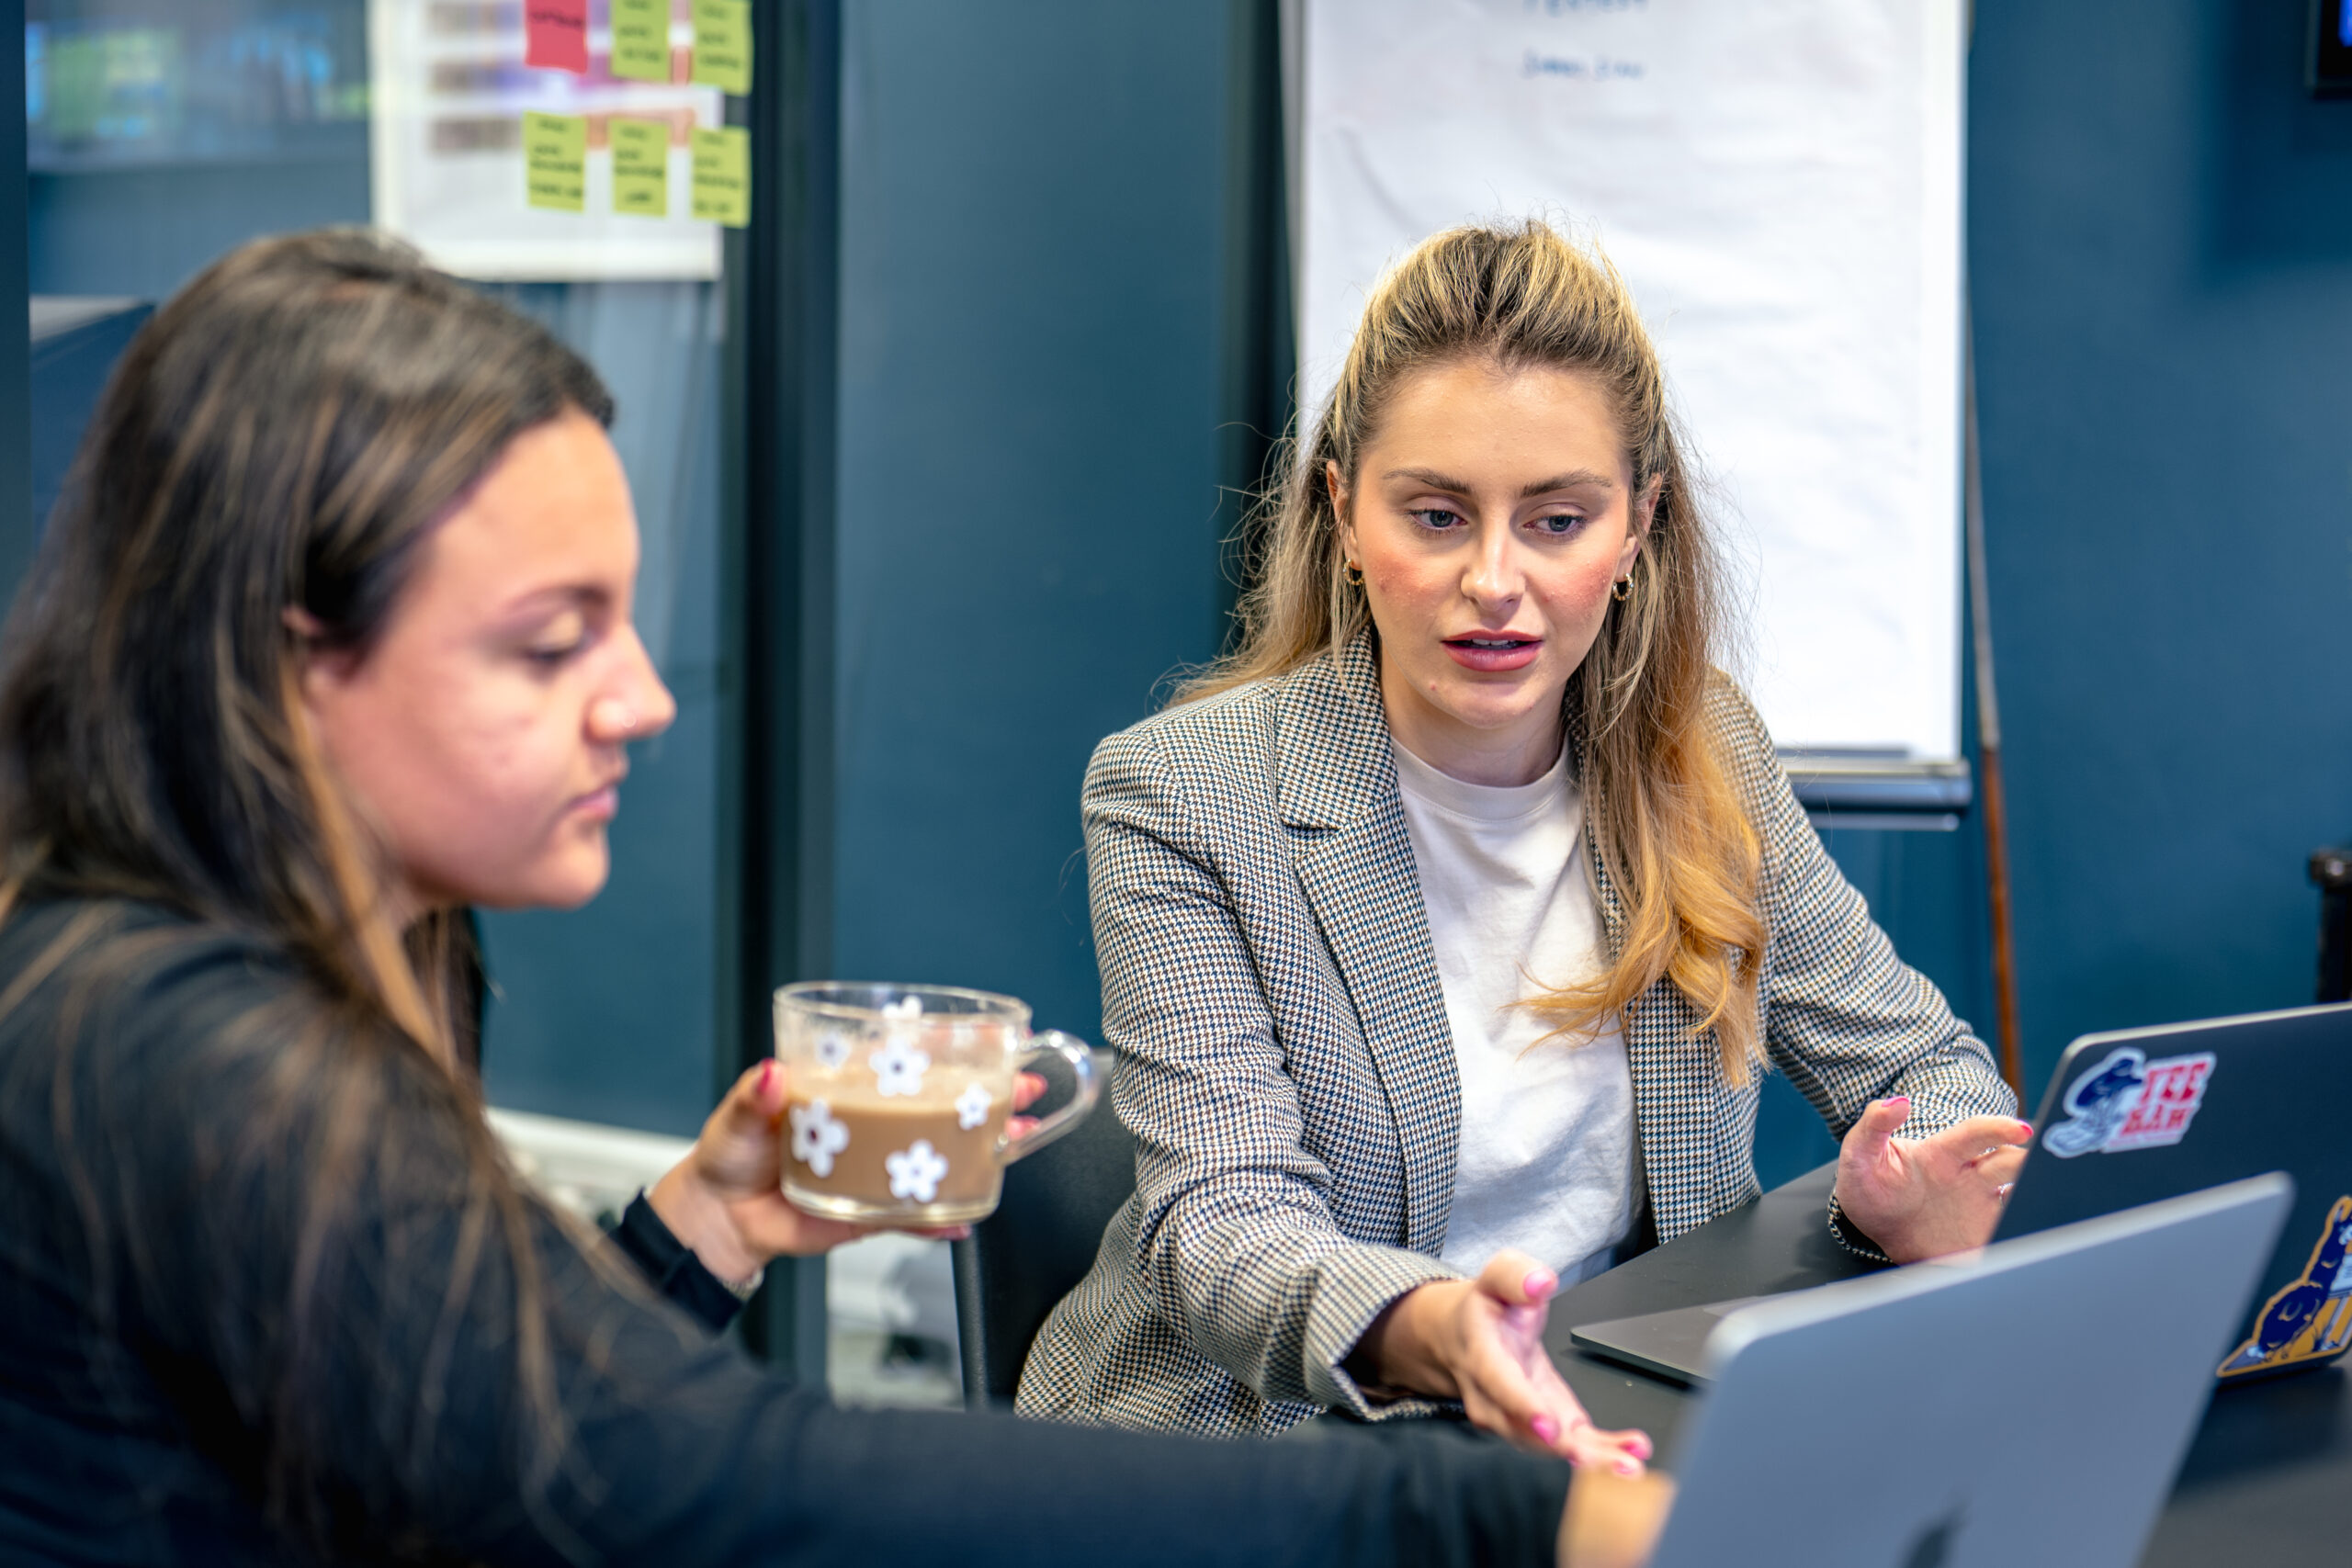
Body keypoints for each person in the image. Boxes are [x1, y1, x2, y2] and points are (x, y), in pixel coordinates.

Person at [0, 231, 1668, 1566]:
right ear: (293, 670)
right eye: (546, 641)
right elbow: (680, 1483)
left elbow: (471, 1408)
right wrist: (1502, 1518)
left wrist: (705, 1229)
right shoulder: (176, 1055)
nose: (642, 697)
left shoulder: (205, 972)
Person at [1018, 220, 2030, 1467]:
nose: (1494, 580)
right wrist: (1443, 1332)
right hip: (1257, 1448)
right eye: (1438, 515)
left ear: (1637, 526)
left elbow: (1923, 1064)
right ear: (1343, 512)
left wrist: (1906, 1193)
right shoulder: (1183, 793)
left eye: (1556, 522)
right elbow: (1226, 1229)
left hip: (1604, 1426)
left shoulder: (1704, 753)